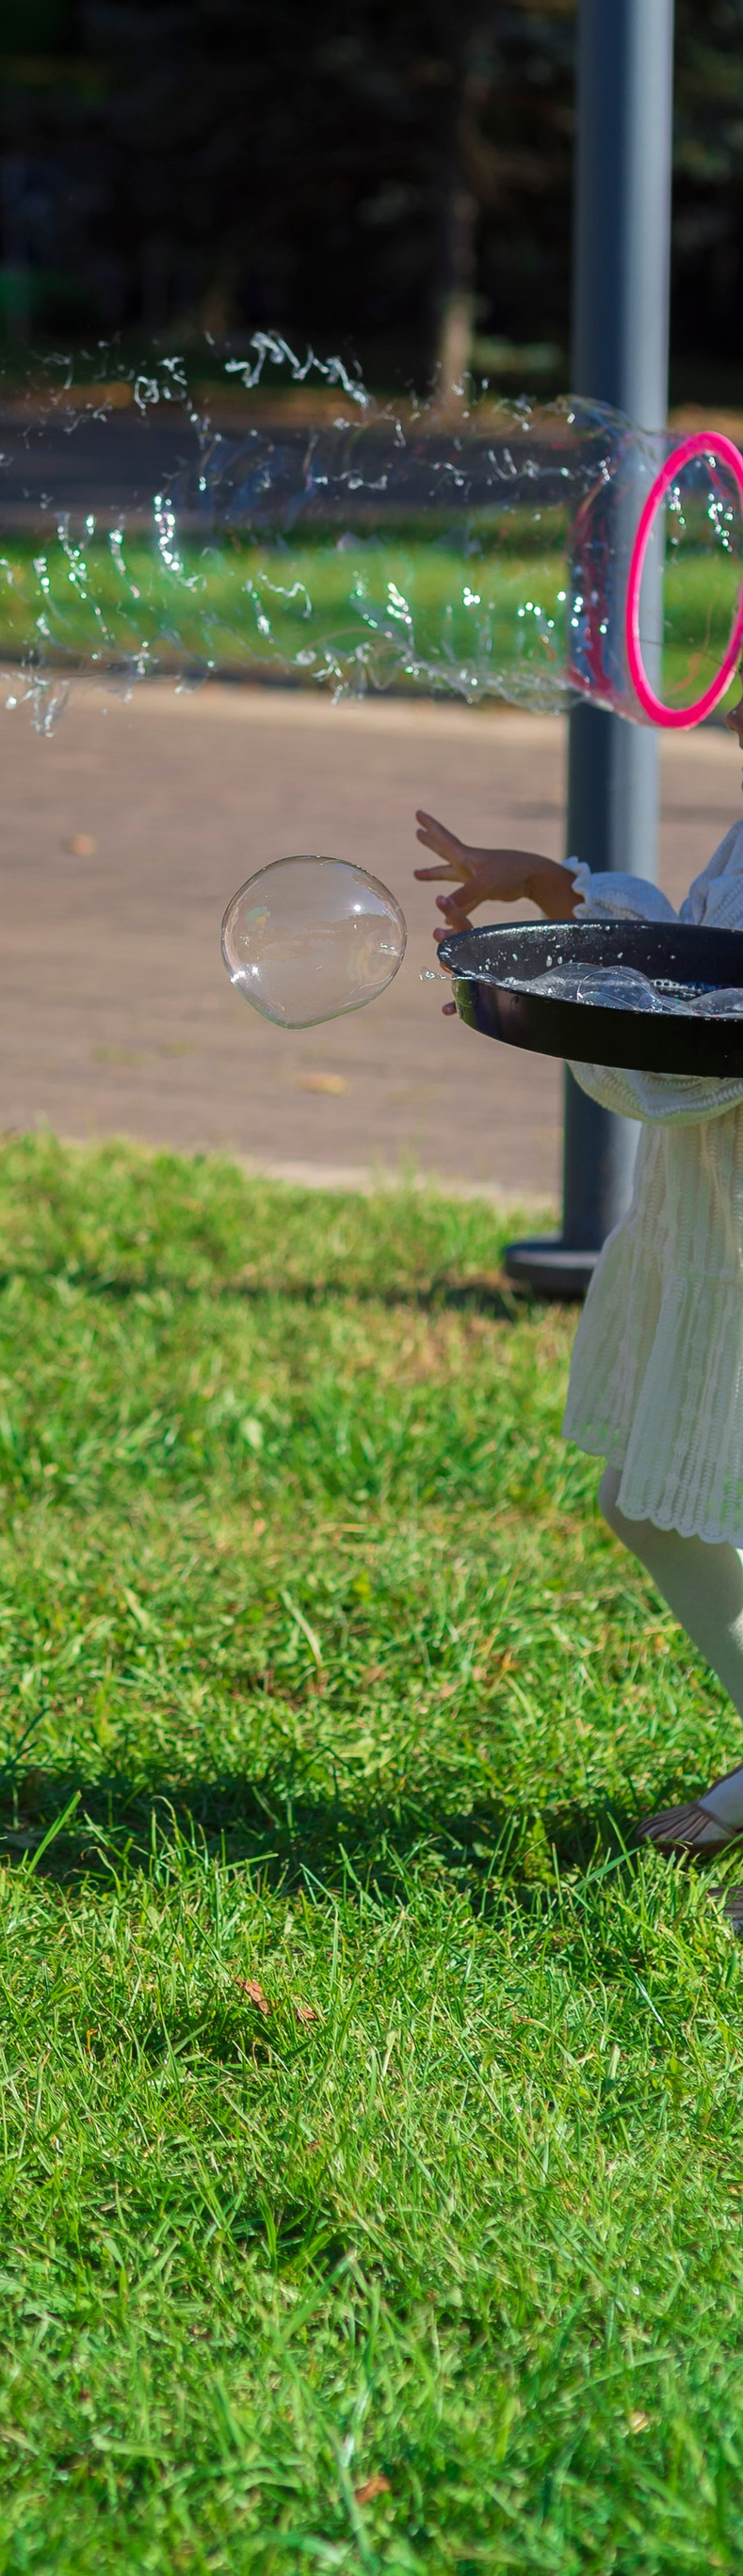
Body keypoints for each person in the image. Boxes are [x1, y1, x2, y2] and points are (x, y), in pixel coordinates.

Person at [415, 780, 743, 1899]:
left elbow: (690, 1057)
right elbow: (691, 955)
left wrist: (547, 1001)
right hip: (710, 1223)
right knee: (644, 1501)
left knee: (652, 1502)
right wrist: (553, 890)